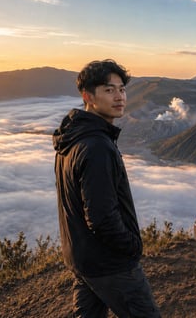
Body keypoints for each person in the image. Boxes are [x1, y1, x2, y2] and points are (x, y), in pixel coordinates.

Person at [53, 59, 161, 318]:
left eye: (122, 89)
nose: (119, 96)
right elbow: (101, 218)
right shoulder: (96, 146)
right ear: (87, 96)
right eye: (108, 90)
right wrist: (132, 248)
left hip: (82, 258)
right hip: (110, 264)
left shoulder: (71, 139)